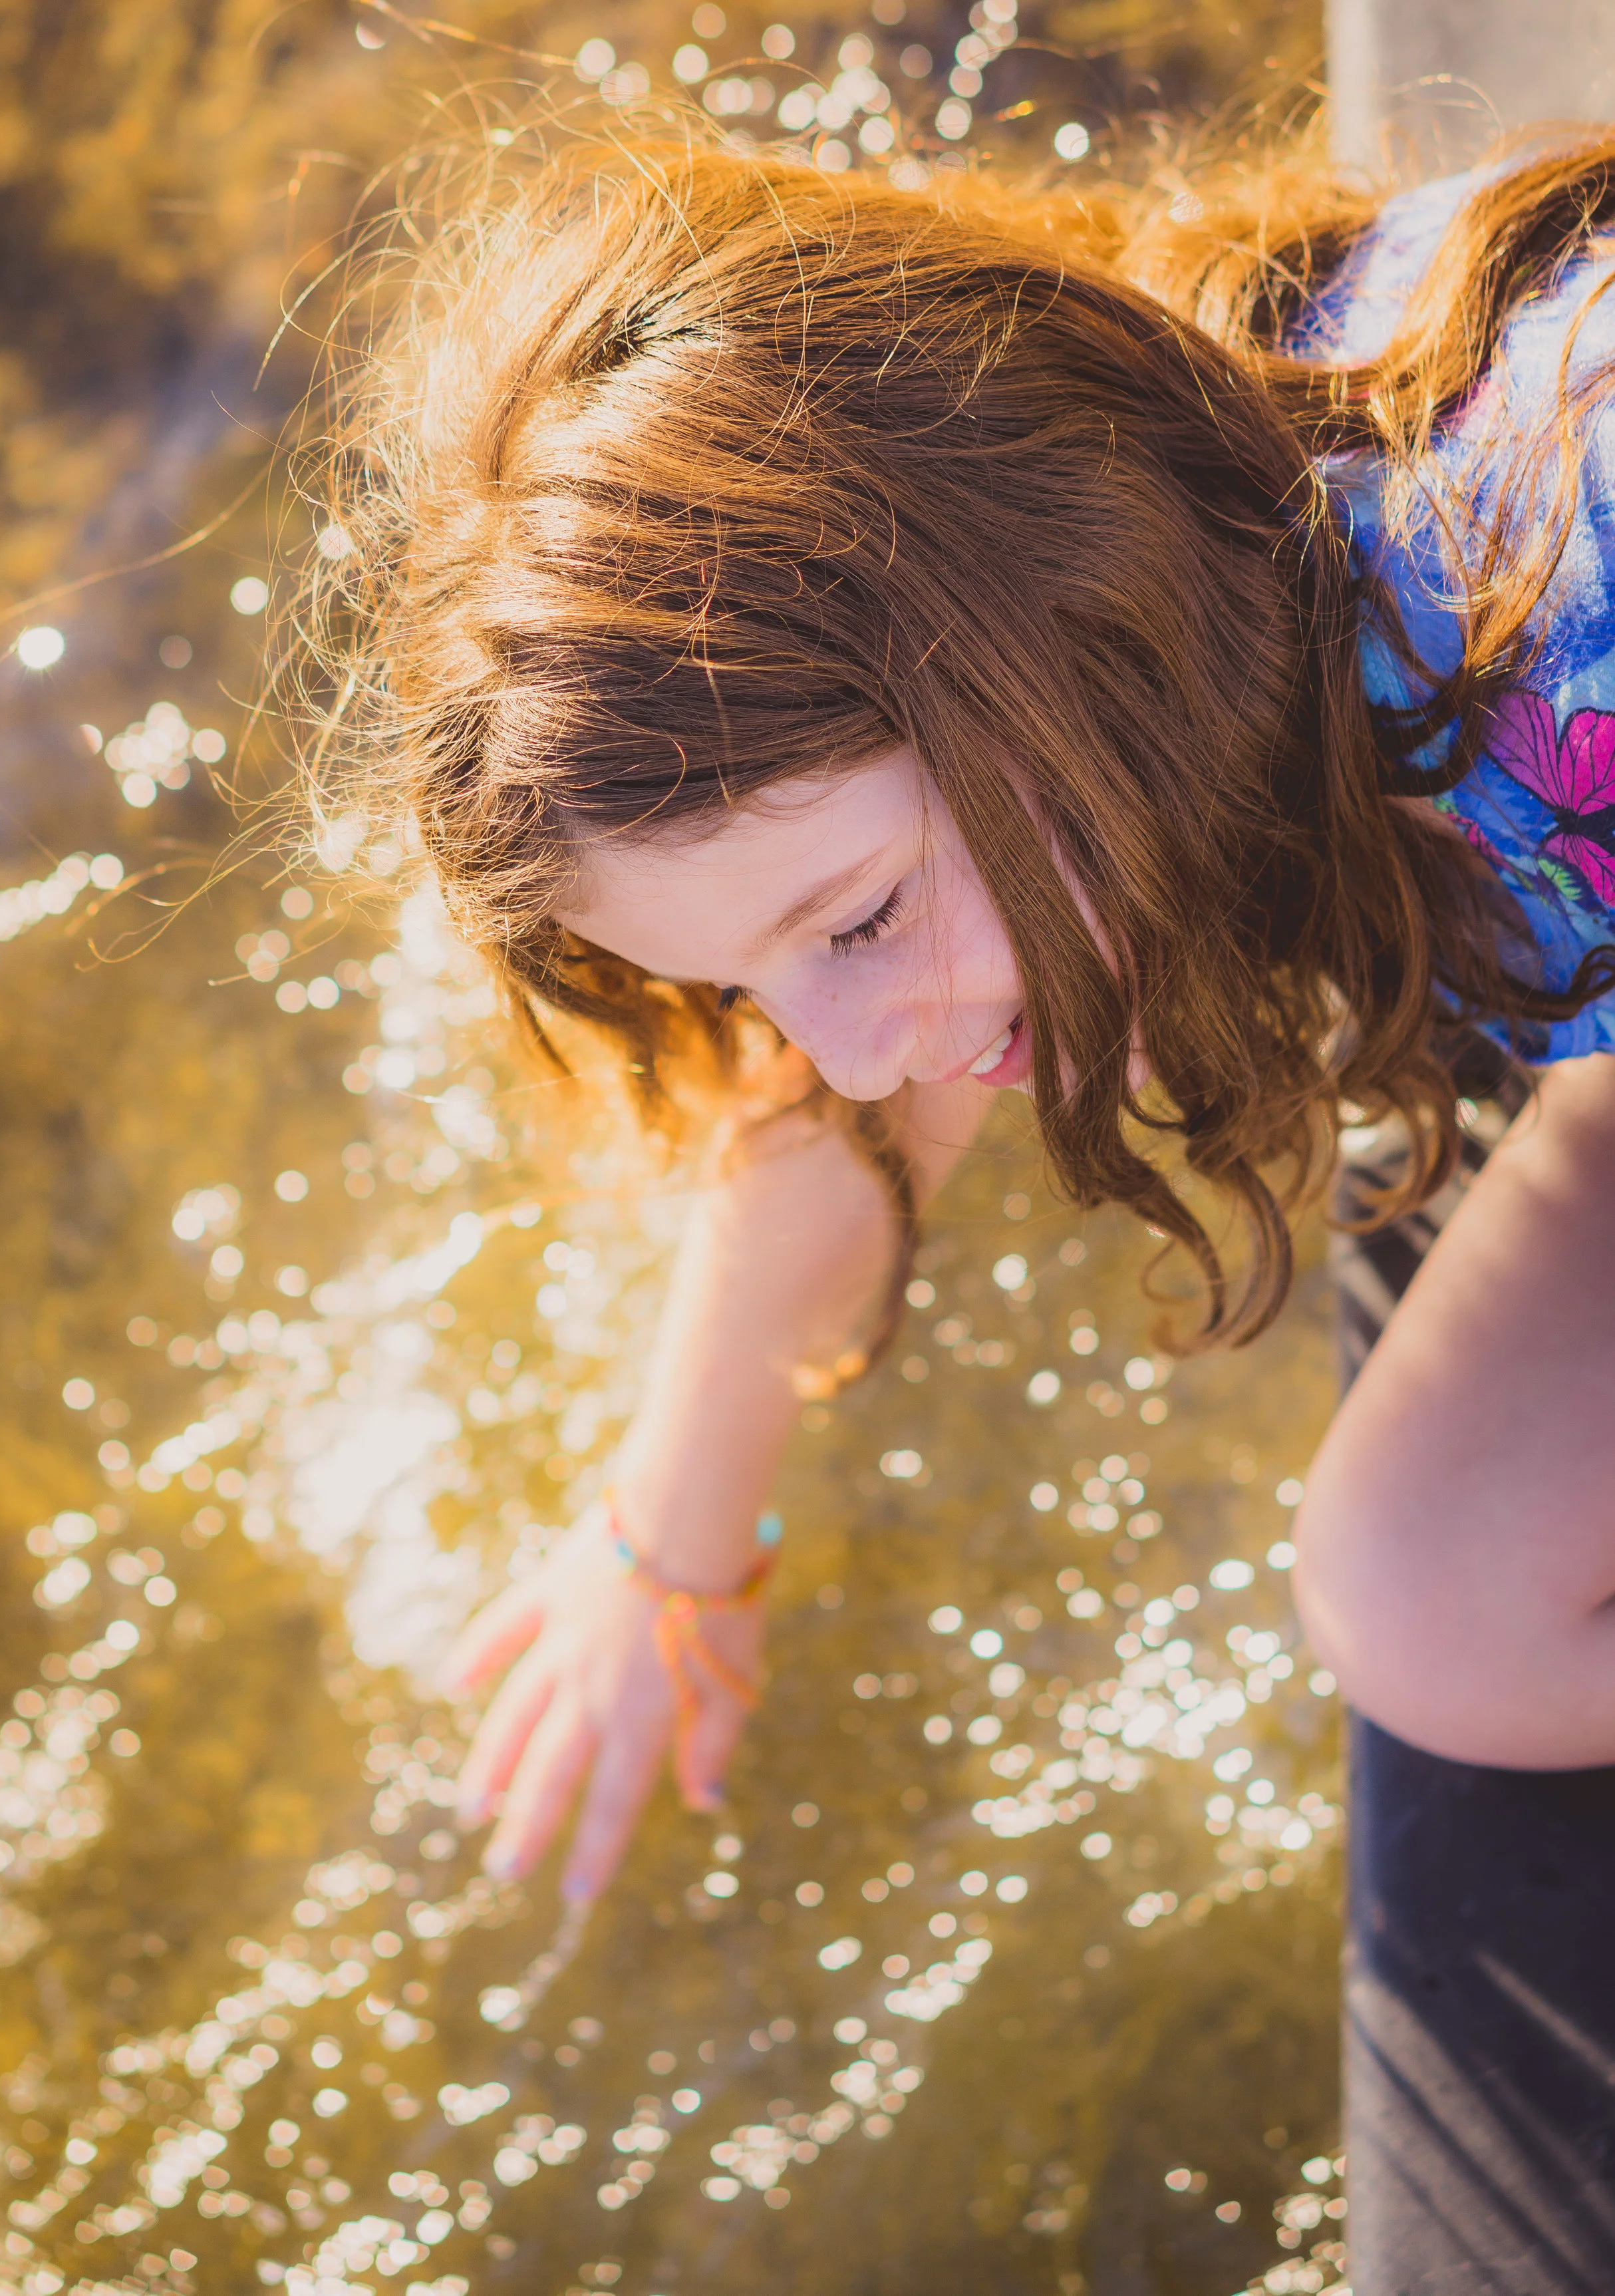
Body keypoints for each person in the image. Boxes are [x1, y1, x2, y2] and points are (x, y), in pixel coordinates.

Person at [299, 124, 1615, 1908]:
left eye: (852, 923)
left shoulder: (1563, 583)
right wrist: (666, 1544)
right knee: (1424, 1598)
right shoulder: (1123, 474)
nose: (848, 1052)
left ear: (1046, 637)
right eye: (750, 978)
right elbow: (840, 1095)